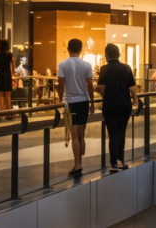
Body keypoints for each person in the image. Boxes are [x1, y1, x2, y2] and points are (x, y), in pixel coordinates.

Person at [56, 38, 95, 175]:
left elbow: (61, 85)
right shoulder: (86, 65)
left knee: (74, 135)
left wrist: (60, 101)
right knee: (81, 134)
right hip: (83, 101)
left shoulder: (62, 64)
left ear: (68, 49)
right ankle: (80, 163)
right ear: (81, 49)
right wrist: (92, 103)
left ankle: (77, 166)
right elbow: (90, 86)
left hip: (69, 103)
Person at [96, 43, 137, 171]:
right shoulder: (126, 68)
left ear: (106, 56)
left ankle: (114, 163)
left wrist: (106, 93)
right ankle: (121, 161)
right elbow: (132, 87)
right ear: (119, 55)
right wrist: (135, 99)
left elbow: (101, 87)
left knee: (113, 134)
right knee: (121, 132)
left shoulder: (104, 69)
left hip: (110, 104)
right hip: (125, 104)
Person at [0, 40, 15, 119]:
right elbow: (13, 66)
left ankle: (0, 114)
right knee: (7, 96)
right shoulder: (10, 55)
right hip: (7, 75)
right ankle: (8, 114)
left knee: (0, 96)